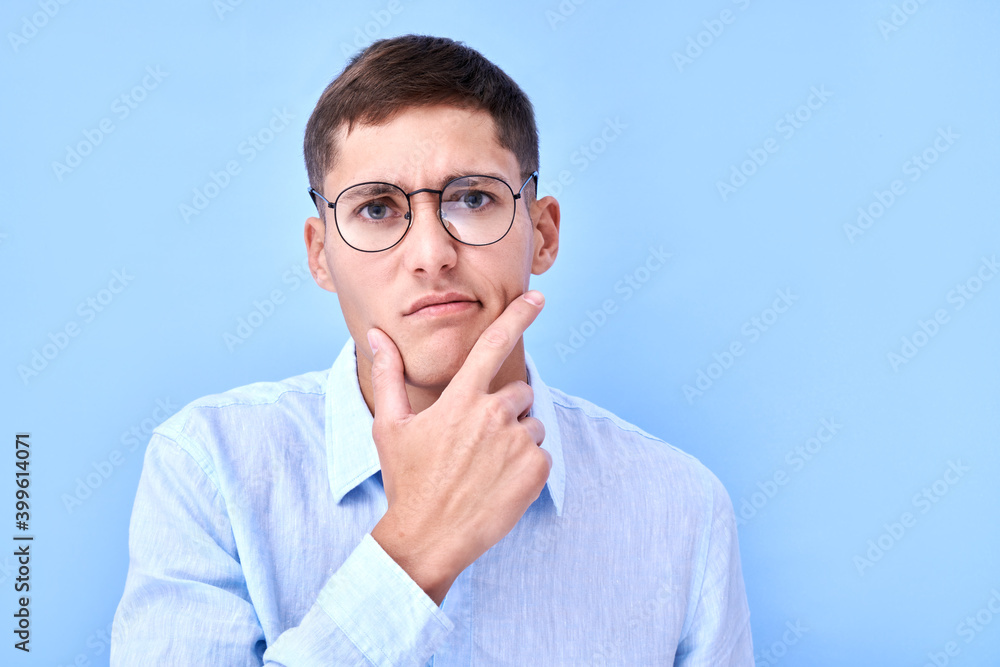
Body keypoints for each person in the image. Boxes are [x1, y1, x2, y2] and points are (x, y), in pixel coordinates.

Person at [111, 34, 753, 665]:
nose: (431, 255)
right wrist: (416, 548)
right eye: (377, 209)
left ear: (543, 233)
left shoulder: (682, 507)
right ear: (320, 255)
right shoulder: (209, 469)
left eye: (472, 199)